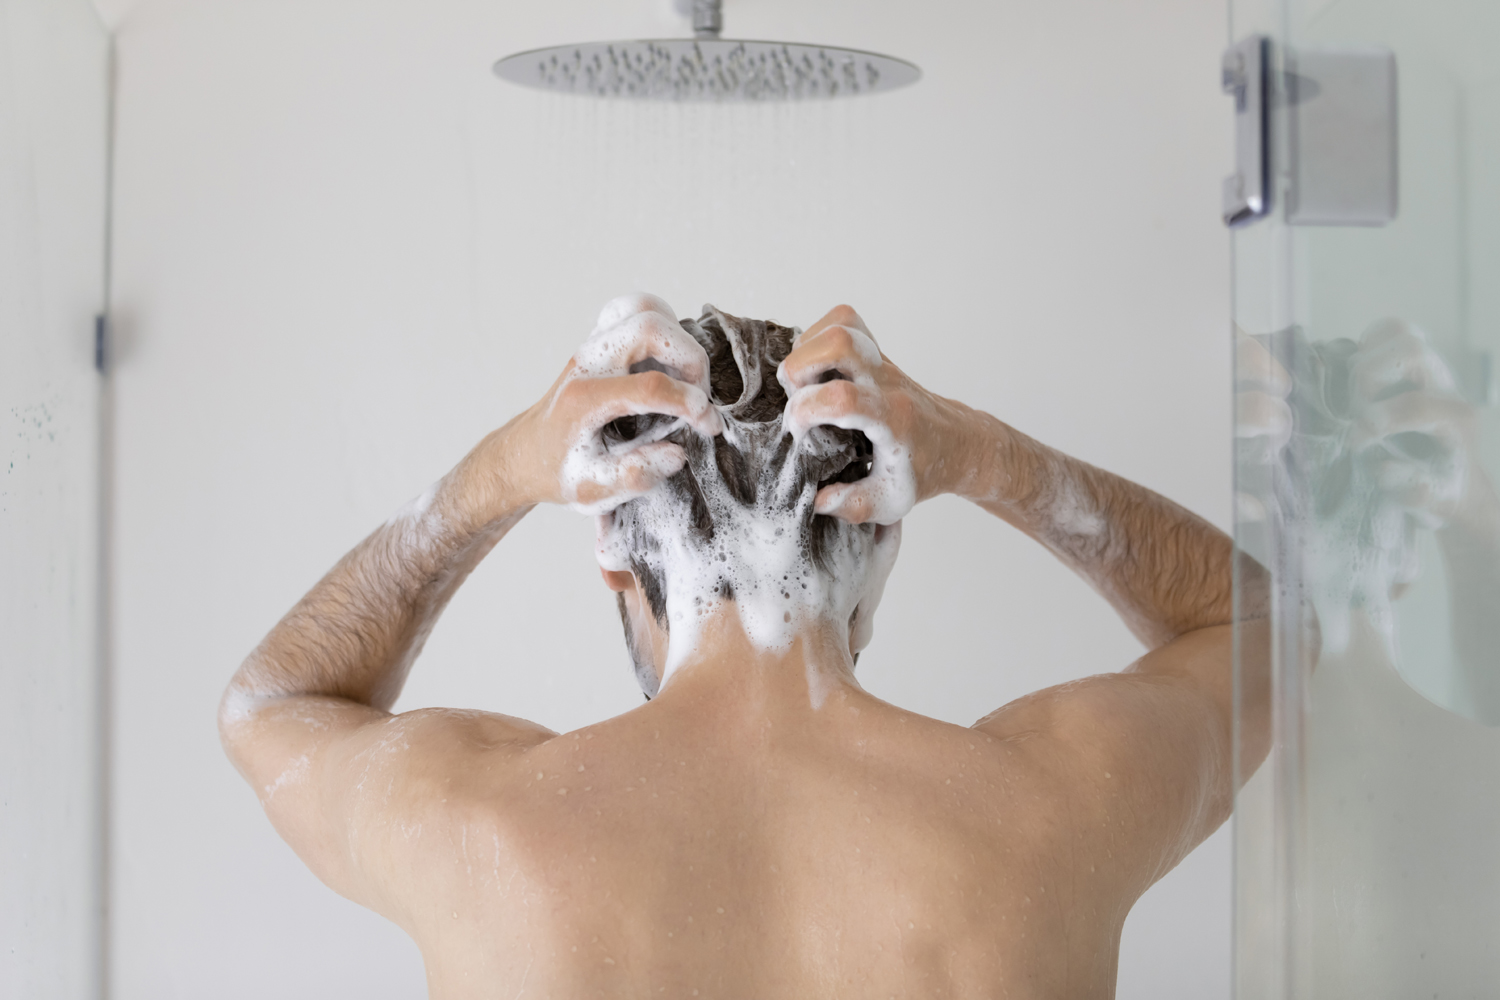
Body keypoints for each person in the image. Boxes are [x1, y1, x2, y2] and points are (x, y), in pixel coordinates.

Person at [220, 294, 1268, 999]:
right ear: (880, 535)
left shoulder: (486, 834)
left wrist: (505, 469)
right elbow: (1261, 632)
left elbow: (270, 707)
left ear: (618, 561)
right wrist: (979, 452)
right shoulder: (1048, 809)